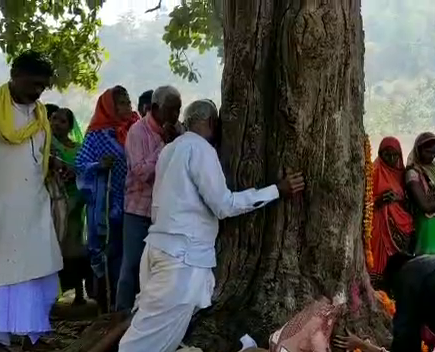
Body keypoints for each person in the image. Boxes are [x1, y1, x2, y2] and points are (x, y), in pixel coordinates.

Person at [118, 100, 305, 352]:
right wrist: (276, 190)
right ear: (212, 123)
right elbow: (224, 205)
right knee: (144, 343)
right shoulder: (200, 149)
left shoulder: (170, 149)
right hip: (182, 258)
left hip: (158, 249)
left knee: (152, 332)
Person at [0, 51, 62, 352]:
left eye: (43, 86)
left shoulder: (40, 114)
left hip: (31, 209)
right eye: (33, 83)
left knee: (32, 275)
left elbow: (35, 157)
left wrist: (56, 162)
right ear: (15, 75)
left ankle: (28, 336)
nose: (38, 91)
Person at [116, 86, 183, 313]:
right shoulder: (138, 132)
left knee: (159, 267)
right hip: (138, 210)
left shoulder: (177, 131)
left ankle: (149, 313)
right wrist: (165, 145)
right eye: (171, 110)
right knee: (132, 264)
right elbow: (141, 172)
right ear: (154, 108)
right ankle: (121, 314)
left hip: (164, 211)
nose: (175, 116)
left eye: (178, 110)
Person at [76, 86, 139, 313]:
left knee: (132, 254)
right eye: (121, 103)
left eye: (128, 101)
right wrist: (99, 165)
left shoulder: (136, 128)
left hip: (135, 203)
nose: (127, 107)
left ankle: (130, 303)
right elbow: (81, 165)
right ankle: (109, 305)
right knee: (110, 253)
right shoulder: (97, 135)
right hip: (108, 206)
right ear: (109, 107)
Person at [48, 108, 87, 305]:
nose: (56, 123)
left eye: (62, 121)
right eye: (53, 119)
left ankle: (79, 294)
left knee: (75, 248)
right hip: (53, 204)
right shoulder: (47, 145)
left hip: (75, 203)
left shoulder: (79, 149)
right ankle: (52, 295)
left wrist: (74, 173)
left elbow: (84, 173)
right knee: (53, 248)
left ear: (70, 126)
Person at [368, 137, 414, 288]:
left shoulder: (403, 174)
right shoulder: (374, 171)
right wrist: (380, 200)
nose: (392, 158)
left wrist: (399, 200)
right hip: (379, 226)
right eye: (387, 154)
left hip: (401, 226)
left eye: (395, 155)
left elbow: (409, 200)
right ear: (380, 154)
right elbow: (365, 200)